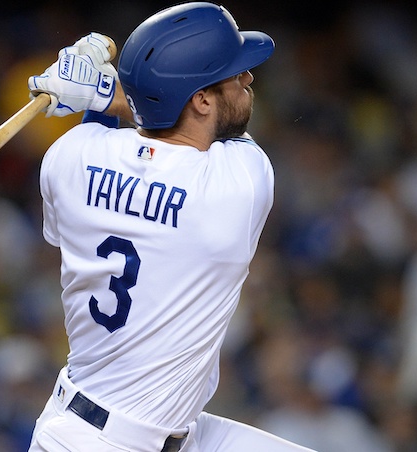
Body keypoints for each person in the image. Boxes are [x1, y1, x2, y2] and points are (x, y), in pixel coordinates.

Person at [26, 2, 315, 451]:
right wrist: (108, 93)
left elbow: (110, 139)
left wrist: (100, 96)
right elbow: (216, 129)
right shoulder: (238, 184)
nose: (249, 78)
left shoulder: (68, 156)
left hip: (97, 421)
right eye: (234, 74)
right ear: (200, 99)